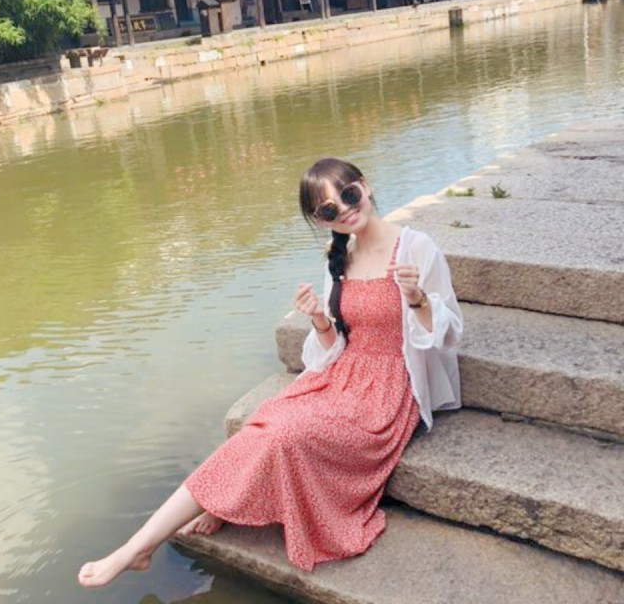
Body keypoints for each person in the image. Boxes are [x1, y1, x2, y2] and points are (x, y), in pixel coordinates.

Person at [78, 157, 462, 587]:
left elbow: (448, 337)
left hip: (387, 392)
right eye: (329, 209)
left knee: (285, 433)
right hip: (343, 376)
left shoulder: (415, 248)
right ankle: (141, 545)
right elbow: (336, 346)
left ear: (365, 186)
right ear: (321, 221)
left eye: (348, 194)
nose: (344, 209)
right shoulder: (340, 259)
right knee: (266, 422)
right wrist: (320, 321)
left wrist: (417, 299)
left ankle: (189, 520)